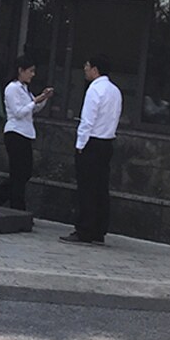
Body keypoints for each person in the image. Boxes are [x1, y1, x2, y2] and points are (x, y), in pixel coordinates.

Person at [59, 54, 121, 245]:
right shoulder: (115, 91)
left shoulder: (95, 90)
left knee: (86, 188)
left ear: (95, 69)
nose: (85, 69)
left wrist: (80, 144)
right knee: (100, 187)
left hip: (92, 143)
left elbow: (88, 120)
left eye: (87, 66)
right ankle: (98, 230)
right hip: (107, 142)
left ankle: (84, 229)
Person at [0, 55, 53, 212]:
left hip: (25, 133)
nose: (32, 74)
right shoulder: (12, 88)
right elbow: (18, 112)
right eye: (30, 71)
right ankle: (15, 205)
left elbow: (33, 109)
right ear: (20, 71)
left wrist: (43, 99)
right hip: (15, 133)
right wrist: (35, 101)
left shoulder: (24, 89)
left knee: (24, 173)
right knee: (19, 173)